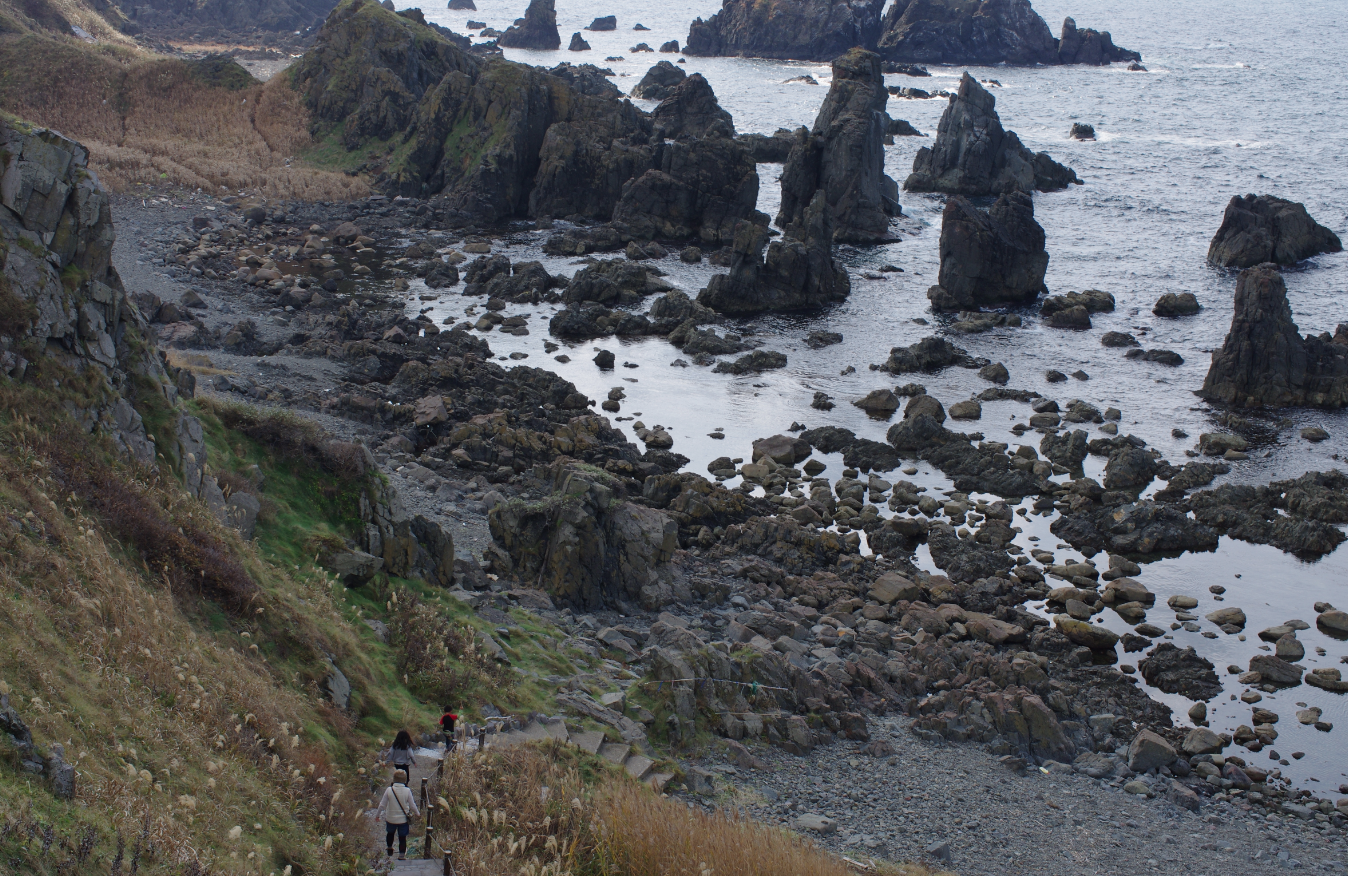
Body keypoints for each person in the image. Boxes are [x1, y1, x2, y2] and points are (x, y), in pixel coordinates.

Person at [378, 768, 420, 860]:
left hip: (390, 818)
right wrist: (417, 813)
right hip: (403, 819)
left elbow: (382, 805)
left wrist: (377, 815)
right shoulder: (407, 790)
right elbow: (412, 805)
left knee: (390, 833)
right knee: (402, 837)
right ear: (404, 779)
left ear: (394, 779)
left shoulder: (389, 790)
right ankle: (401, 855)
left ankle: (389, 847)